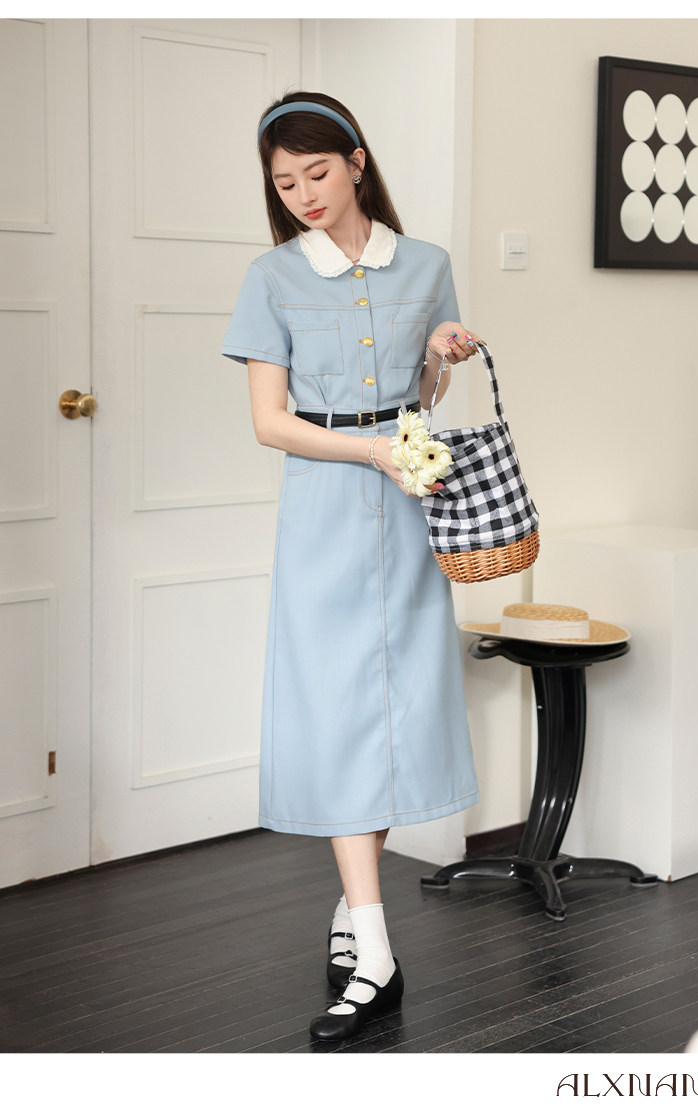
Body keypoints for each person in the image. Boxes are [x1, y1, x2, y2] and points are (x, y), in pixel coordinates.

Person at [222, 91, 481, 1042]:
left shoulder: (428, 264)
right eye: (285, 181)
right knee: (338, 713)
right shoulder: (273, 277)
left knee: (394, 708)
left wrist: (443, 352)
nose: (303, 194)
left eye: (318, 172)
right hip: (327, 508)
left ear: (358, 162)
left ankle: (352, 908)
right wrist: (372, 451)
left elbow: (423, 391)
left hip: (410, 506)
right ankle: (376, 951)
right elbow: (270, 422)